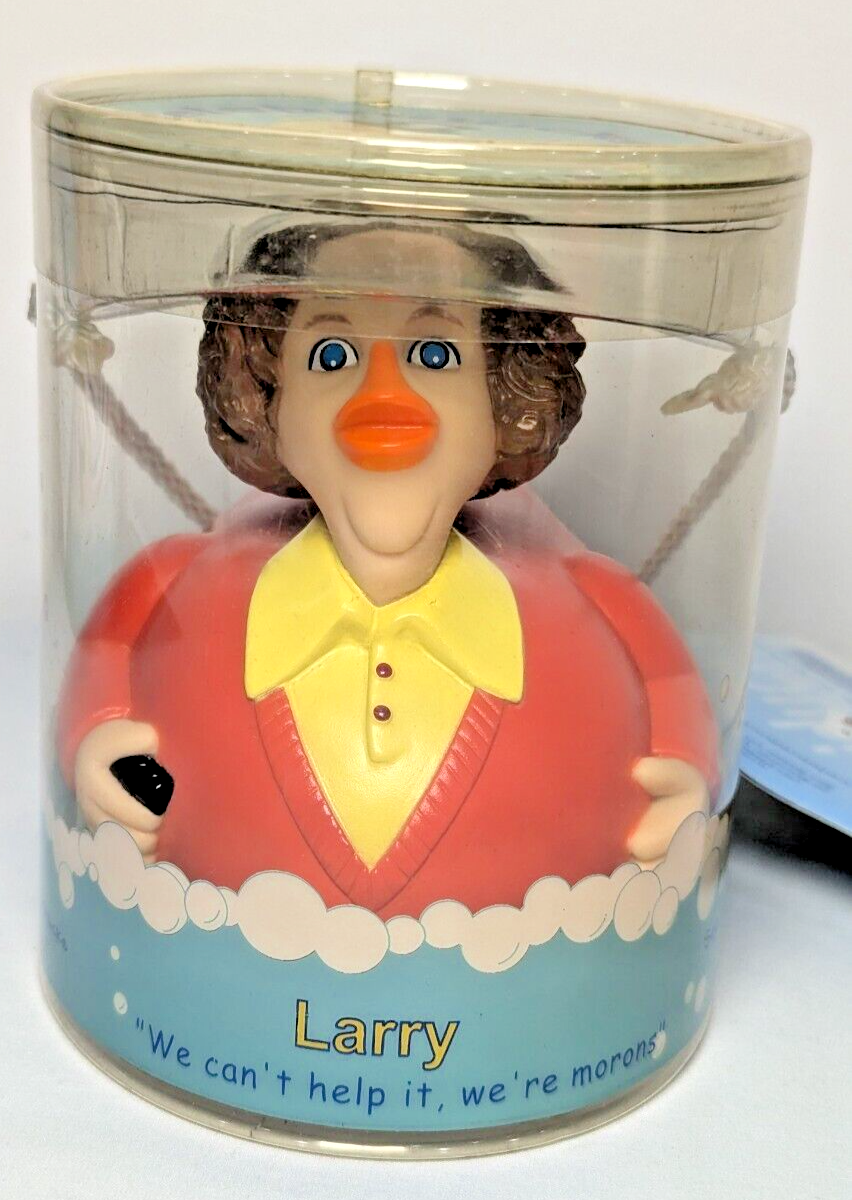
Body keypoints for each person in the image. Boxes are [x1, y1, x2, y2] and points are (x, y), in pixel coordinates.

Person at [57, 221, 718, 918]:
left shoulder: (595, 607)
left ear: (504, 398)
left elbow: (672, 692)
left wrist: (690, 777)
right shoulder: (177, 588)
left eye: (434, 353)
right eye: (332, 355)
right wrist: (88, 739)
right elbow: (106, 654)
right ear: (268, 394)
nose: (382, 391)